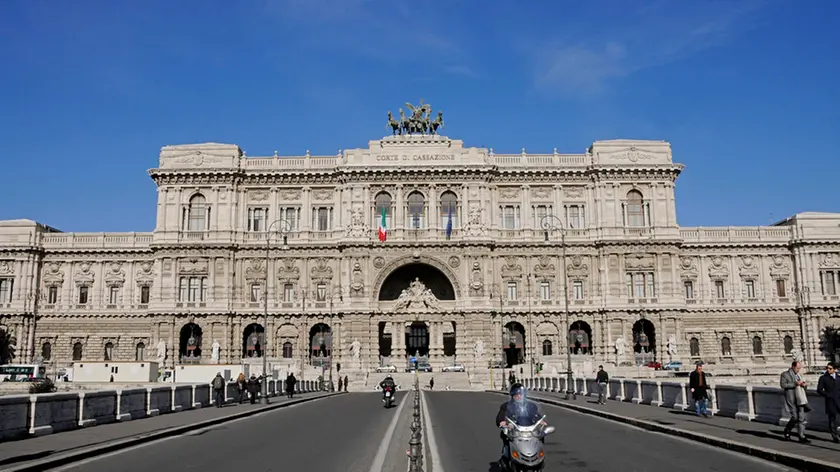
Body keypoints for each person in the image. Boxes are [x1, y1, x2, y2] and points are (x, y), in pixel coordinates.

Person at [496, 383, 545, 463]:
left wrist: (540, 421)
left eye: (520, 394)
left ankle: (538, 457)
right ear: (512, 395)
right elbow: (501, 415)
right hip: (514, 431)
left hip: (529, 430)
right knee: (505, 435)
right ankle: (506, 456)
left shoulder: (530, 405)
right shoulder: (506, 406)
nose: (518, 396)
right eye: (516, 395)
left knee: (540, 435)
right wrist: (502, 422)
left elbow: (535, 415)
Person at [781, 360, 811, 443]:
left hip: (800, 398)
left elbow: (802, 387)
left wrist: (804, 385)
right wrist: (795, 384)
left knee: (801, 418)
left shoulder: (799, 375)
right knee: (795, 417)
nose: (798, 370)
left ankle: (801, 436)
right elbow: (783, 385)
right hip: (792, 399)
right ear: (793, 366)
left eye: (799, 368)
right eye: (797, 368)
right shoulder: (785, 374)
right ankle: (787, 429)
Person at [817, 362, 840, 443]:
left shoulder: (838, 377)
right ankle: (835, 436)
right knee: (832, 419)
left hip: (839, 400)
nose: (828, 370)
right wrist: (827, 395)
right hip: (830, 401)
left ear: (834, 369)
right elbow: (819, 390)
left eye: (830, 368)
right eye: (827, 368)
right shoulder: (823, 378)